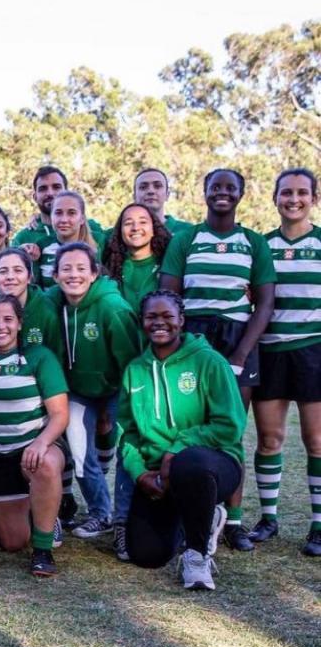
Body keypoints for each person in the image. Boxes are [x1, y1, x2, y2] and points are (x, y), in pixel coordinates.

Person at [160, 168, 276, 551]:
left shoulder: (254, 242)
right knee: (187, 426)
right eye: (215, 186)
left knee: (230, 430)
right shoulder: (187, 239)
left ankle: (234, 522)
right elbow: (169, 296)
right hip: (194, 336)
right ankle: (188, 517)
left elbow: (265, 302)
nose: (222, 192)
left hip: (238, 337)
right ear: (205, 191)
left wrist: (241, 353)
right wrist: (181, 348)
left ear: (241, 194)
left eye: (230, 187)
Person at [119, 290, 246, 590]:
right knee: (146, 554)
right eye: (151, 317)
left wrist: (175, 451)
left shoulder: (209, 361)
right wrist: (140, 474)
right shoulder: (135, 370)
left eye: (167, 316)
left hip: (212, 465)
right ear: (142, 321)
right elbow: (127, 432)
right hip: (158, 476)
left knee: (190, 462)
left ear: (182, 320)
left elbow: (230, 425)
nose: (159, 322)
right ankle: (201, 516)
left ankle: (197, 557)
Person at [47, 242, 140, 550]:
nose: (73, 275)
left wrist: (123, 404)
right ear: (55, 275)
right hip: (78, 389)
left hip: (117, 387)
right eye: (66, 269)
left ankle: (124, 521)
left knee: (127, 450)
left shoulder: (112, 308)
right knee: (78, 447)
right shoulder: (53, 302)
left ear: (94, 273)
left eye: (80, 268)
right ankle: (101, 512)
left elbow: (131, 361)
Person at [249, 168, 321, 555]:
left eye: (302, 193)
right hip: (271, 350)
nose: (294, 199)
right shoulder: (262, 246)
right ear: (275, 198)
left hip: (313, 350)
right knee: (269, 439)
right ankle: (268, 519)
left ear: (314, 198)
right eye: (286, 193)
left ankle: (318, 525)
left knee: (317, 441)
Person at [0, 294, 69, 576]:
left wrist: (41, 442)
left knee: (45, 463)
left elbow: (60, 414)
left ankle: (43, 548)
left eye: (8, 319)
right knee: (13, 542)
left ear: (19, 323)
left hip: (32, 446)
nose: (0, 326)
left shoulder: (39, 356)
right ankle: (29, 507)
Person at [12, 167, 105, 286]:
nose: (50, 193)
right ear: (35, 197)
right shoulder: (24, 237)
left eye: (56, 187)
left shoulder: (92, 229)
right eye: (43, 188)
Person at [0, 248, 61, 351]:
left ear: (29, 277)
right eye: (3, 271)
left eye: (18, 270)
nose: (10, 277)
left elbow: (56, 354)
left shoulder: (48, 310)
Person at [103, 203, 173, 313]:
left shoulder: (168, 264)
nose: (135, 228)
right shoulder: (112, 268)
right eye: (128, 223)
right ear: (120, 231)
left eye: (143, 222)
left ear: (153, 229)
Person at [133, 168, 193, 238]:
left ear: (167, 195)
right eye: (143, 187)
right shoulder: (126, 233)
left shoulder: (188, 230)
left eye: (157, 186)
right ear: (134, 197)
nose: (151, 191)